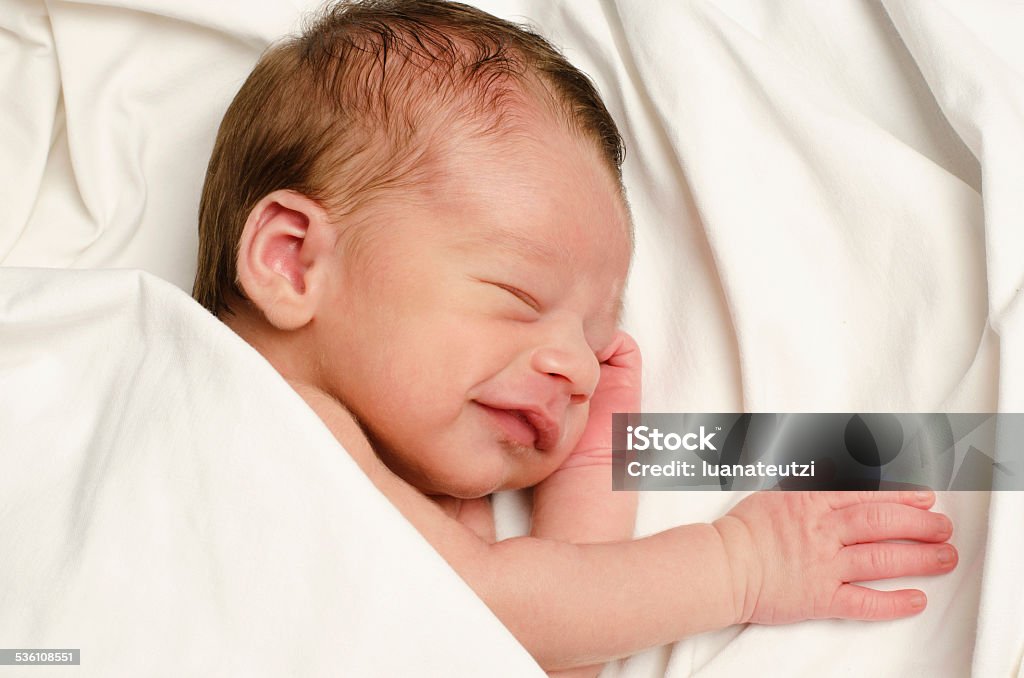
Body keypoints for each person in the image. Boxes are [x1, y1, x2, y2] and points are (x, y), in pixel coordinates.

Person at [192, 1, 958, 673]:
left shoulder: (410, 506)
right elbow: (505, 611)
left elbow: (534, 655)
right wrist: (742, 564)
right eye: (520, 298)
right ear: (292, 261)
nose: (578, 371)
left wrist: (593, 466)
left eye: (594, 342)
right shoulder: (243, 405)